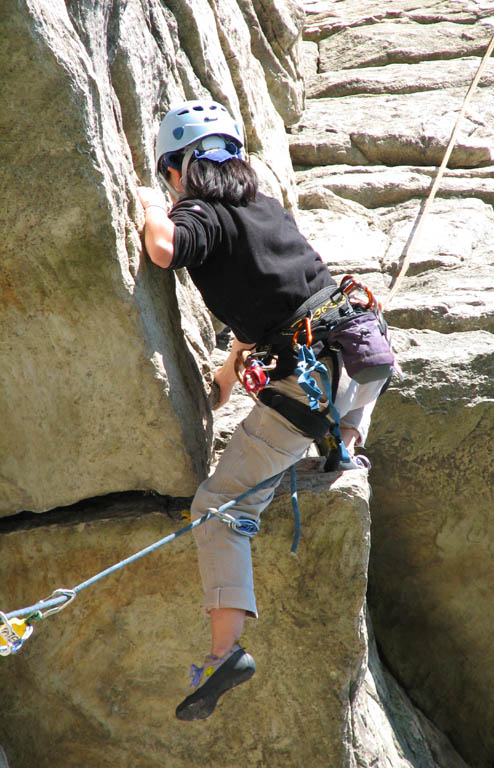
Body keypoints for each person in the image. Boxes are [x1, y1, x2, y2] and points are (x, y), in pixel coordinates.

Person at [136, 99, 387, 721]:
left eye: (169, 176)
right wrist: (226, 373)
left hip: (305, 387)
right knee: (342, 402)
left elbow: (166, 249)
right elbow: (273, 301)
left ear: (178, 169)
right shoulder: (263, 210)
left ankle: (225, 653)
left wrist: (144, 205)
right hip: (356, 349)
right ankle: (346, 444)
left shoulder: (199, 212)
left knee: (220, 510)